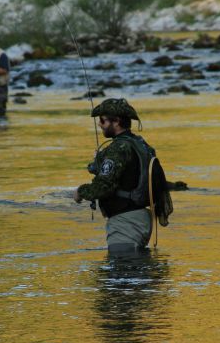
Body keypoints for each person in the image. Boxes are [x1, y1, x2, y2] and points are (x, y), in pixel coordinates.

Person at [74, 98, 182, 253]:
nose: (99, 124)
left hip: (126, 222)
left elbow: (102, 187)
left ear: (116, 121)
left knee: (122, 269)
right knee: (133, 271)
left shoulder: (119, 148)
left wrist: (80, 192)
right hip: (139, 219)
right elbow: (126, 174)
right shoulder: (139, 143)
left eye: (102, 120)